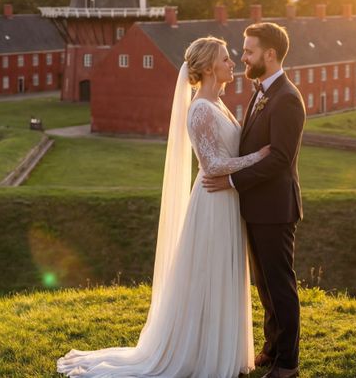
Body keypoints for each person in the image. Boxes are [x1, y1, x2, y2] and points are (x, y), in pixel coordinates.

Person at [56, 36, 269, 377]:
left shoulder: (218, 104)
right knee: (208, 275)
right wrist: (258, 158)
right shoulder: (199, 108)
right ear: (210, 68)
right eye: (226, 59)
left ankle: (221, 349)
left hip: (227, 200)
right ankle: (201, 353)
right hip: (213, 203)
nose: (232, 64)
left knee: (222, 275)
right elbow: (212, 164)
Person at [203, 22, 305, 378]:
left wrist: (230, 179)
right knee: (264, 285)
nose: (242, 56)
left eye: (249, 51)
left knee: (280, 285)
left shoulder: (287, 99)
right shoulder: (261, 91)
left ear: (270, 54)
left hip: (276, 208)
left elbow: (279, 159)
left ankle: (288, 362)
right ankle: (272, 347)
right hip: (257, 206)